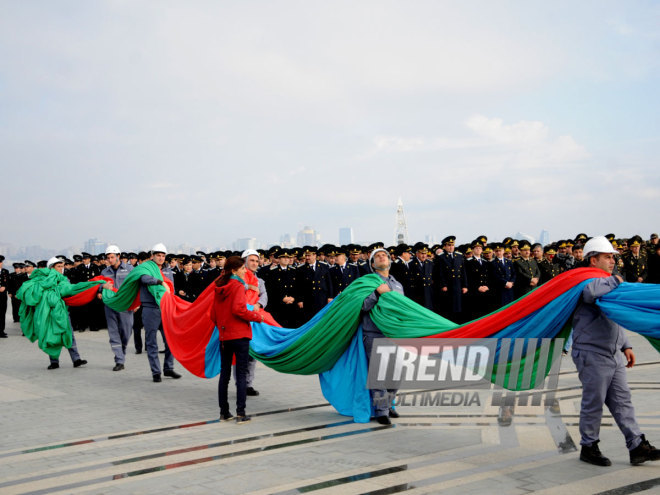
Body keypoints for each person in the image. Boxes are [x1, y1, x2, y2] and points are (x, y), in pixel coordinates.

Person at [572, 236, 660, 466]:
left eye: (613, 257)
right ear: (593, 259)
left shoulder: (607, 280)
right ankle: (588, 446)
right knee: (594, 402)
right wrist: (618, 280)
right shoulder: (585, 280)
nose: (612, 261)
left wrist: (626, 345)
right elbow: (590, 293)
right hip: (591, 352)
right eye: (608, 257)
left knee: (623, 401)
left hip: (611, 352)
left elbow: (614, 317)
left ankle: (636, 444)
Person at [211, 256, 265, 424]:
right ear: (234, 270)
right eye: (242, 269)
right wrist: (257, 317)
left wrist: (223, 326)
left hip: (225, 336)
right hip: (240, 335)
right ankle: (241, 413)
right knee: (241, 375)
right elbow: (238, 310)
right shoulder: (237, 286)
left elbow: (213, 314)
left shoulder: (220, 286)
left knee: (225, 375)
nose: (245, 271)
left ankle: (224, 412)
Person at [362, 248, 404, 425]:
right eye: (377, 256)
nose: (382, 257)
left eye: (384, 255)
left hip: (394, 334)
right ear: (372, 264)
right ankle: (381, 410)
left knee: (396, 374)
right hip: (374, 333)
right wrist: (377, 293)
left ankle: (389, 404)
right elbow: (362, 306)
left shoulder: (398, 285)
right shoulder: (367, 282)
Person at [139, 243, 181, 383]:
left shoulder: (168, 270)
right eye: (158, 255)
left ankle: (168, 367)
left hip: (166, 307)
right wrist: (159, 281)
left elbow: (172, 288)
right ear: (152, 256)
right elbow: (144, 278)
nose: (161, 258)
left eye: (163, 256)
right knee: (151, 342)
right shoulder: (146, 268)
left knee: (170, 340)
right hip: (150, 308)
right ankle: (156, 372)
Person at [43, 257, 90, 370]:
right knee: (52, 336)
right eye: (58, 266)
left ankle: (76, 360)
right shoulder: (45, 281)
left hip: (63, 312)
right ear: (51, 268)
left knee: (69, 335)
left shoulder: (65, 280)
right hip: (50, 313)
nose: (61, 268)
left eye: (61, 266)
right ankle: (54, 361)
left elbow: (70, 291)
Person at [100, 245, 134, 371]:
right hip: (110, 306)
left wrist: (137, 303)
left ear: (118, 256)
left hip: (125, 305)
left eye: (112, 257)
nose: (110, 260)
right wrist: (101, 289)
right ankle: (119, 359)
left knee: (126, 332)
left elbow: (135, 286)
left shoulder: (130, 269)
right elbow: (99, 285)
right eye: (108, 257)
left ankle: (122, 351)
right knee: (113, 333)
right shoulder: (105, 272)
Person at [0, 255, 9, 338]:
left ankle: (1, 331)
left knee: (2, 313)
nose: (0, 264)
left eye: (1, 262)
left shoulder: (5, 272)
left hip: (2, 296)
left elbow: (8, 283)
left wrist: (5, 287)